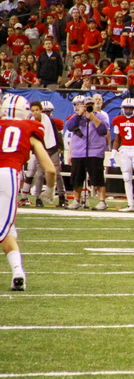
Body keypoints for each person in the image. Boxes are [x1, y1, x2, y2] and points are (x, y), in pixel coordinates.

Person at [0, 94, 55, 290]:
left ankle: (18, 272)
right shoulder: (29, 128)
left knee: (8, 230)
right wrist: (50, 189)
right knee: (4, 227)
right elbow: (50, 169)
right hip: (8, 175)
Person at [65, 95, 109, 210]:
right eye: (86, 106)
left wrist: (93, 118)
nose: (88, 108)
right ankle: (76, 200)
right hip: (79, 151)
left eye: (91, 105)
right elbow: (69, 127)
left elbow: (104, 130)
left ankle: (102, 201)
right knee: (77, 178)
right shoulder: (77, 117)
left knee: (97, 178)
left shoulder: (100, 116)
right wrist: (79, 114)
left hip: (95, 151)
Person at [110, 97, 134, 212]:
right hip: (125, 150)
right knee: (126, 177)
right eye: (126, 108)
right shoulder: (118, 120)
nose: (128, 110)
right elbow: (117, 139)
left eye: (130, 108)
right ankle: (130, 205)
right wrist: (113, 156)